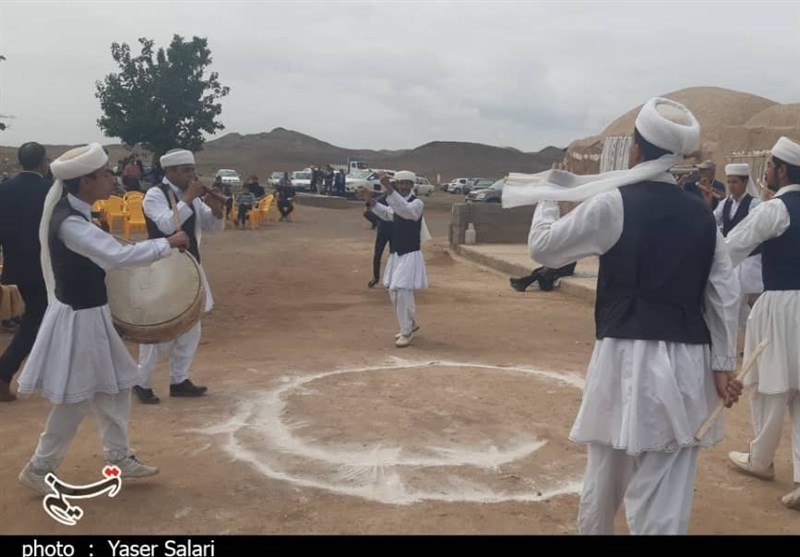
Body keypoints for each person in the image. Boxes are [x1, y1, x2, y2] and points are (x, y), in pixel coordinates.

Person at [505, 97, 742, 534]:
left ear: (635, 148)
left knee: (604, 478)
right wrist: (724, 366)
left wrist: (549, 194)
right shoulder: (704, 217)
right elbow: (725, 293)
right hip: (688, 364)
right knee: (665, 496)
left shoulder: (613, 203)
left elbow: (544, 247)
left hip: (623, 357)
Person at [15, 143, 190, 494]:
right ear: (85, 181)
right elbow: (115, 256)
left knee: (118, 385)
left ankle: (118, 456)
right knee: (77, 398)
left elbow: (107, 250)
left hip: (91, 314)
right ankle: (40, 466)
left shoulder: (75, 214)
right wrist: (167, 244)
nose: (112, 179)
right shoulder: (70, 225)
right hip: (79, 319)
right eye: (106, 174)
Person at [724, 136, 800, 511]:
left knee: (772, 387)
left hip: (783, 305)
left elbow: (733, 247)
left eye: (769, 166)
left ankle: (761, 458)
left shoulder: (775, 210)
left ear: (782, 170)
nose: (765, 173)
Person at [134, 149, 225, 404]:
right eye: (186, 170)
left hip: (190, 267)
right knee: (158, 328)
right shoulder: (154, 195)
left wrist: (217, 210)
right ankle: (142, 382)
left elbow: (209, 225)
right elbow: (165, 225)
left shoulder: (191, 197)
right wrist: (188, 199)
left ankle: (179, 380)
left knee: (191, 327)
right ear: (170, 172)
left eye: (192, 170)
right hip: (162, 269)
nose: (191, 175)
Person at [0, 142, 52, 402]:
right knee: (38, 319)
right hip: (47, 268)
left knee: (41, 317)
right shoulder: (50, 190)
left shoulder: (4, 189)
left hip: (16, 267)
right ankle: (4, 371)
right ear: (43, 163)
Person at [364, 171, 430, 347]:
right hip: (396, 254)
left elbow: (407, 212)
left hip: (410, 253)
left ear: (412, 185)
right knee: (393, 292)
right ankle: (410, 323)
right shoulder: (397, 202)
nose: (402, 187)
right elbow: (388, 214)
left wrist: (389, 189)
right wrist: (372, 202)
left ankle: (406, 332)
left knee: (401, 290)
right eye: (399, 183)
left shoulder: (417, 203)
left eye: (405, 183)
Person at [713, 163, 763, 334]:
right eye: (729, 182)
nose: (732, 186)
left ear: (744, 182)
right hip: (733, 262)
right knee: (736, 305)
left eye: (735, 182)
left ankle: (751, 336)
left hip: (750, 262)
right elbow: (713, 221)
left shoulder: (754, 204)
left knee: (740, 303)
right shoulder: (724, 204)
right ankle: (751, 336)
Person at [366, 191, 393, 288]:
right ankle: (376, 277)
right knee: (379, 254)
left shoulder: (398, 198)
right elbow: (370, 206)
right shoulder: (384, 197)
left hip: (392, 230)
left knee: (393, 255)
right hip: (384, 229)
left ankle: (389, 279)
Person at [509, 262, 577, 292]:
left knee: (542, 273)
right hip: (557, 267)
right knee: (538, 272)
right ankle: (523, 282)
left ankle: (523, 282)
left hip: (563, 269)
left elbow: (568, 265)